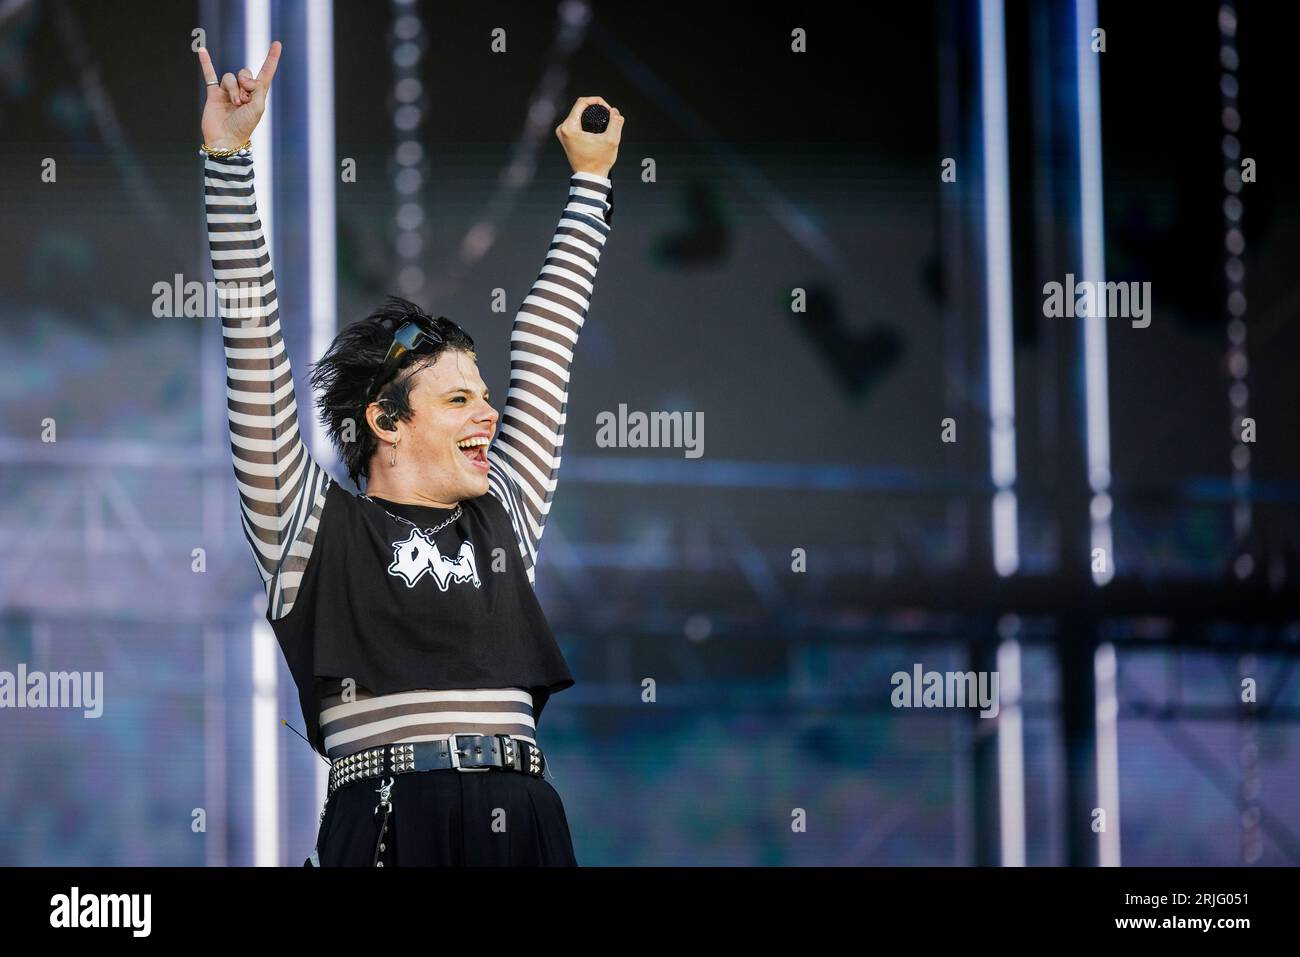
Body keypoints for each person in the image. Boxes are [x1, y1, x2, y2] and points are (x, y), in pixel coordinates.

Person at [196, 41, 621, 866]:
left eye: (487, 397)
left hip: (521, 823)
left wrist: (592, 183)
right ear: (386, 421)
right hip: (388, 822)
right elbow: (253, 342)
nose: (491, 415)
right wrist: (227, 162)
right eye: (460, 398)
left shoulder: (506, 515)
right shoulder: (309, 530)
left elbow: (547, 340)